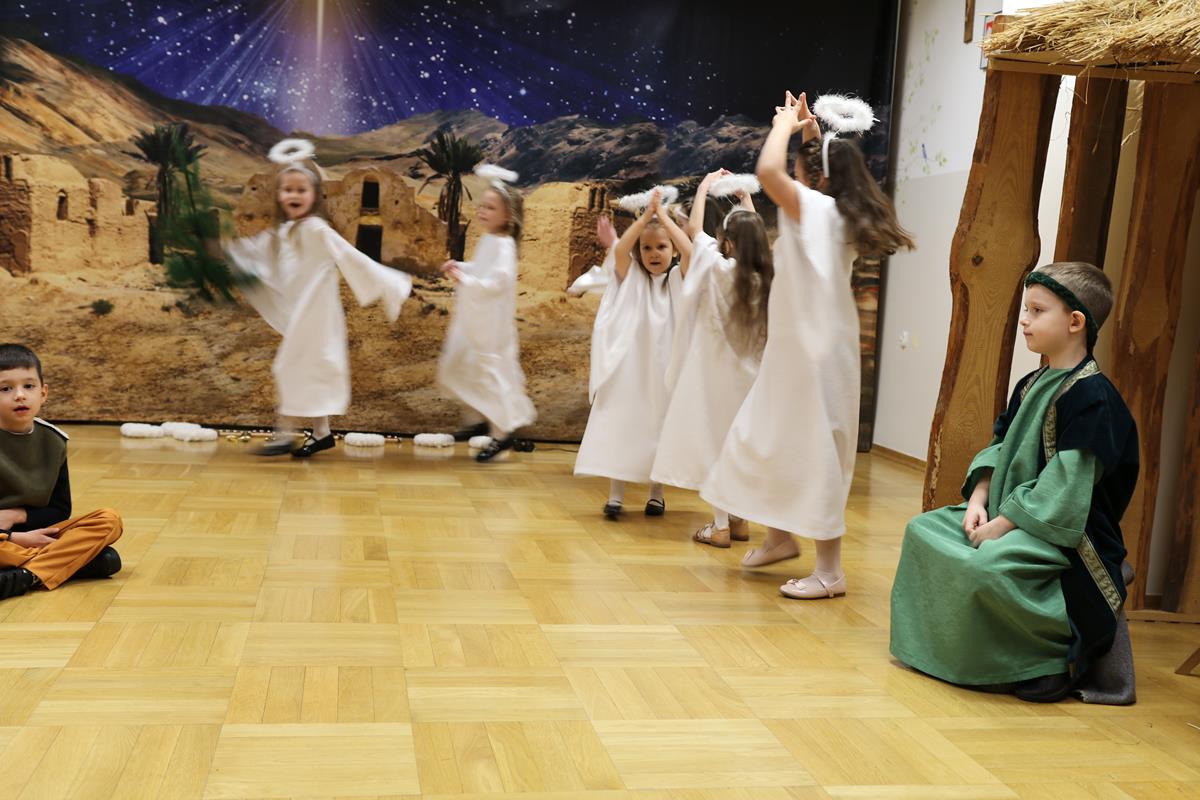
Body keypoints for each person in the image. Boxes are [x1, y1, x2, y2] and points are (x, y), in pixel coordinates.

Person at [890, 261, 1138, 703]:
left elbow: (1066, 486)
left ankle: (1043, 663)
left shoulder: (1094, 397)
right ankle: (948, 652)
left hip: (1062, 532)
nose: (1024, 319)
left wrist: (1002, 526)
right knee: (921, 531)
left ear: (1075, 322)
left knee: (986, 566)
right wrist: (978, 499)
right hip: (1005, 511)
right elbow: (1000, 445)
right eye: (1027, 309)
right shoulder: (1031, 382)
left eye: (1037, 311)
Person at [702, 91, 913, 598]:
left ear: (813, 176)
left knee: (814, 452)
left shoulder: (815, 208)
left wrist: (782, 124)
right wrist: (811, 133)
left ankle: (830, 571)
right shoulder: (830, 209)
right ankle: (780, 537)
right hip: (803, 349)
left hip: (813, 354)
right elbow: (806, 174)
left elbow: (769, 171)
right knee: (769, 437)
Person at [223, 139, 411, 458]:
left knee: (289, 367)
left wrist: (390, 281)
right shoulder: (283, 232)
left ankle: (284, 434)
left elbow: (350, 256)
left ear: (313, 195)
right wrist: (228, 252)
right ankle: (321, 433)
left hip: (318, 315)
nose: (294, 195)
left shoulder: (316, 229)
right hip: (301, 313)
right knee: (307, 371)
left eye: (301, 190)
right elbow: (257, 252)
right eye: (288, 190)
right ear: (279, 195)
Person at [651, 169, 772, 548]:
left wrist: (703, 190)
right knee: (738, 446)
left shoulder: (720, 270)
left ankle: (719, 526)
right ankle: (739, 520)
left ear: (729, 244)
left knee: (714, 443)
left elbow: (694, 233)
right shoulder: (768, 279)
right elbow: (753, 234)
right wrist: (746, 200)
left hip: (713, 375)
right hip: (753, 379)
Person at [574, 189, 690, 519]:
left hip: (664, 371)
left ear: (673, 249)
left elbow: (690, 250)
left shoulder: (679, 279)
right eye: (647, 247)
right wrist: (646, 218)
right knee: (623, 425)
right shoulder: (632, 276)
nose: (653, 253)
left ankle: (656, 494)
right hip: (630, 370)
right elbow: (620, 249)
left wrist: (663, 217)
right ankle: (616, 496)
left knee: (659, 429)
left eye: (661, 246)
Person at [0, 344, 123, 601]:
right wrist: (16, 537)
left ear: (43, 393)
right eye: (5, 389)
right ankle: (70, 563)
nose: (20, 396)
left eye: (29, 386)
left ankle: (24, 576)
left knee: (108, 520)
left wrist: (17, 515)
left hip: (38, 534)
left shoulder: (54, 441)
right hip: (5, 540)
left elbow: (59, 509)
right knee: (105, 559)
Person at [437, 165, 537, 463]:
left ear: (507, 215)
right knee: (470, 367)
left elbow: (497, 282)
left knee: (493, 375)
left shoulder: (504, 246)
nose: (482, 211)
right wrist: (461, 267)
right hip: (479, 323)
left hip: (492, 327)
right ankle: (480, 420)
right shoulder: (490, 240)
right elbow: (481, 269)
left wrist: (465, 280)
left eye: (490, 208)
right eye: (481, 206)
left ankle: (502, 434)